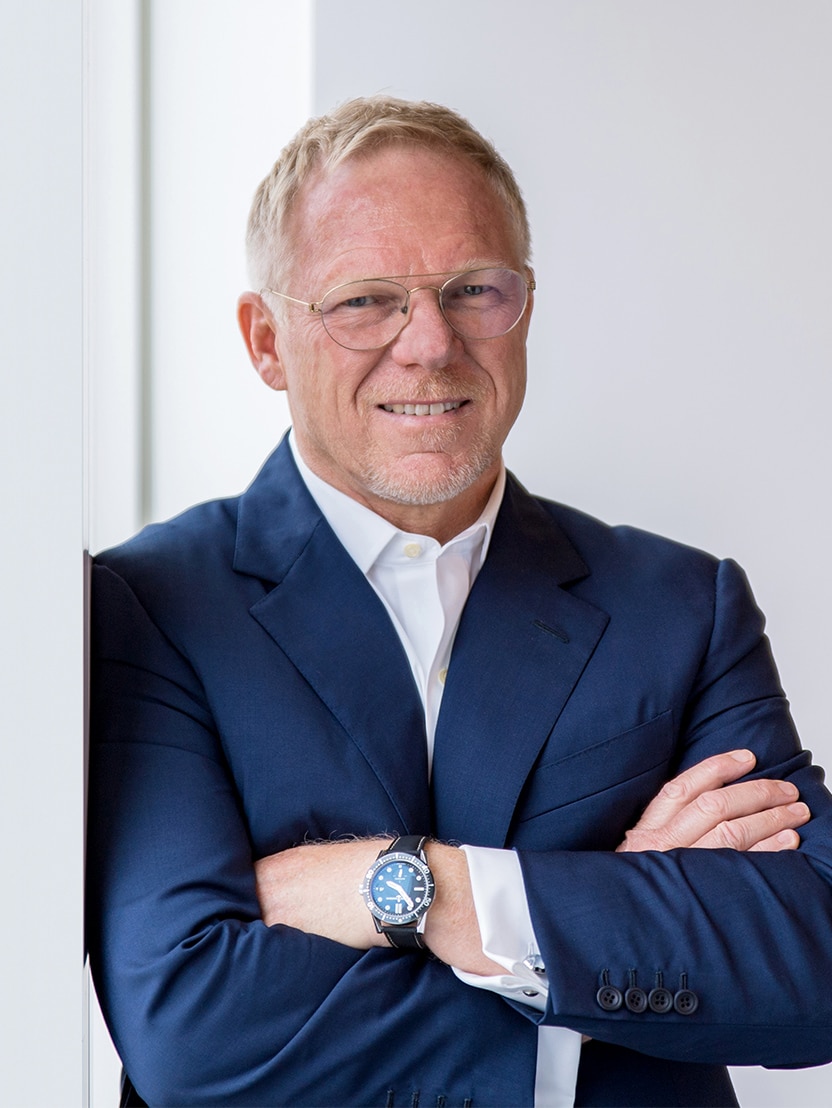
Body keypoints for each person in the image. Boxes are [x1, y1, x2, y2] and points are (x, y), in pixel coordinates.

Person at [87, 96, 832, 1108]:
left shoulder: (679, 606)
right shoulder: (150, 605)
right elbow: (193, 1031)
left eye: (473, 289)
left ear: (524, 304)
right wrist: (593, 939)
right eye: (365, 301)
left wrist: (424, 890)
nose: (430, 343)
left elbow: (811, 956)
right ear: (265, 340)